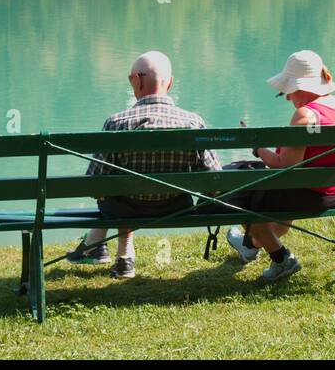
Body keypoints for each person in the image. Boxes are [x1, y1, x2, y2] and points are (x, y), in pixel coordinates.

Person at [62, 50, 220, 278]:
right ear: (171, 83)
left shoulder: (117, 123)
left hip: (124, 209)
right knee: (119, 189)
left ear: (136, 80)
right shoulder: (193, 122)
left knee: (114, 191)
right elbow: (213, 181)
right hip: (176, 209)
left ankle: (99, 248)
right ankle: (105, 251)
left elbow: (93, 185)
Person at [223, 50, 335, 282]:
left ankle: (282, 260)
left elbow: (284, 166)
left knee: (250, 202)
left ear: (302, 87)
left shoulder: (306, 115)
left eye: (289, 91)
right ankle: (251, 245)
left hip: (315, 195)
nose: (287, 98)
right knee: (280, 195)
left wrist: (256, 147)